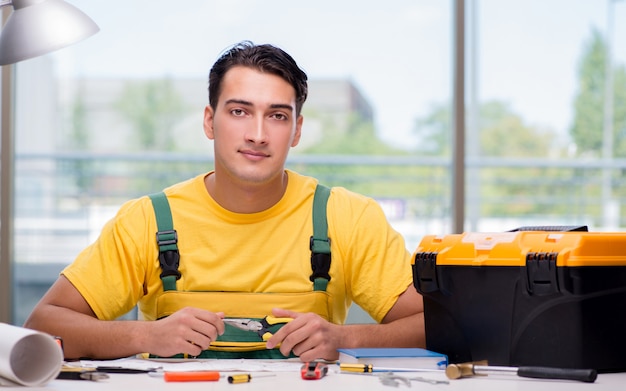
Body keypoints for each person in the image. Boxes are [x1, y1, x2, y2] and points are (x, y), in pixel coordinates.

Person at [24, 41, 425, 362]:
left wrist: (343, 337)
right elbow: (43, 326)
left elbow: (435, 325)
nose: (257, 134)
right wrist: (147, 334)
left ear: (297, 131)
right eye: (239, 111)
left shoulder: (347, 218)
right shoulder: (148, 221)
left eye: (278, 116)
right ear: (208, 121)